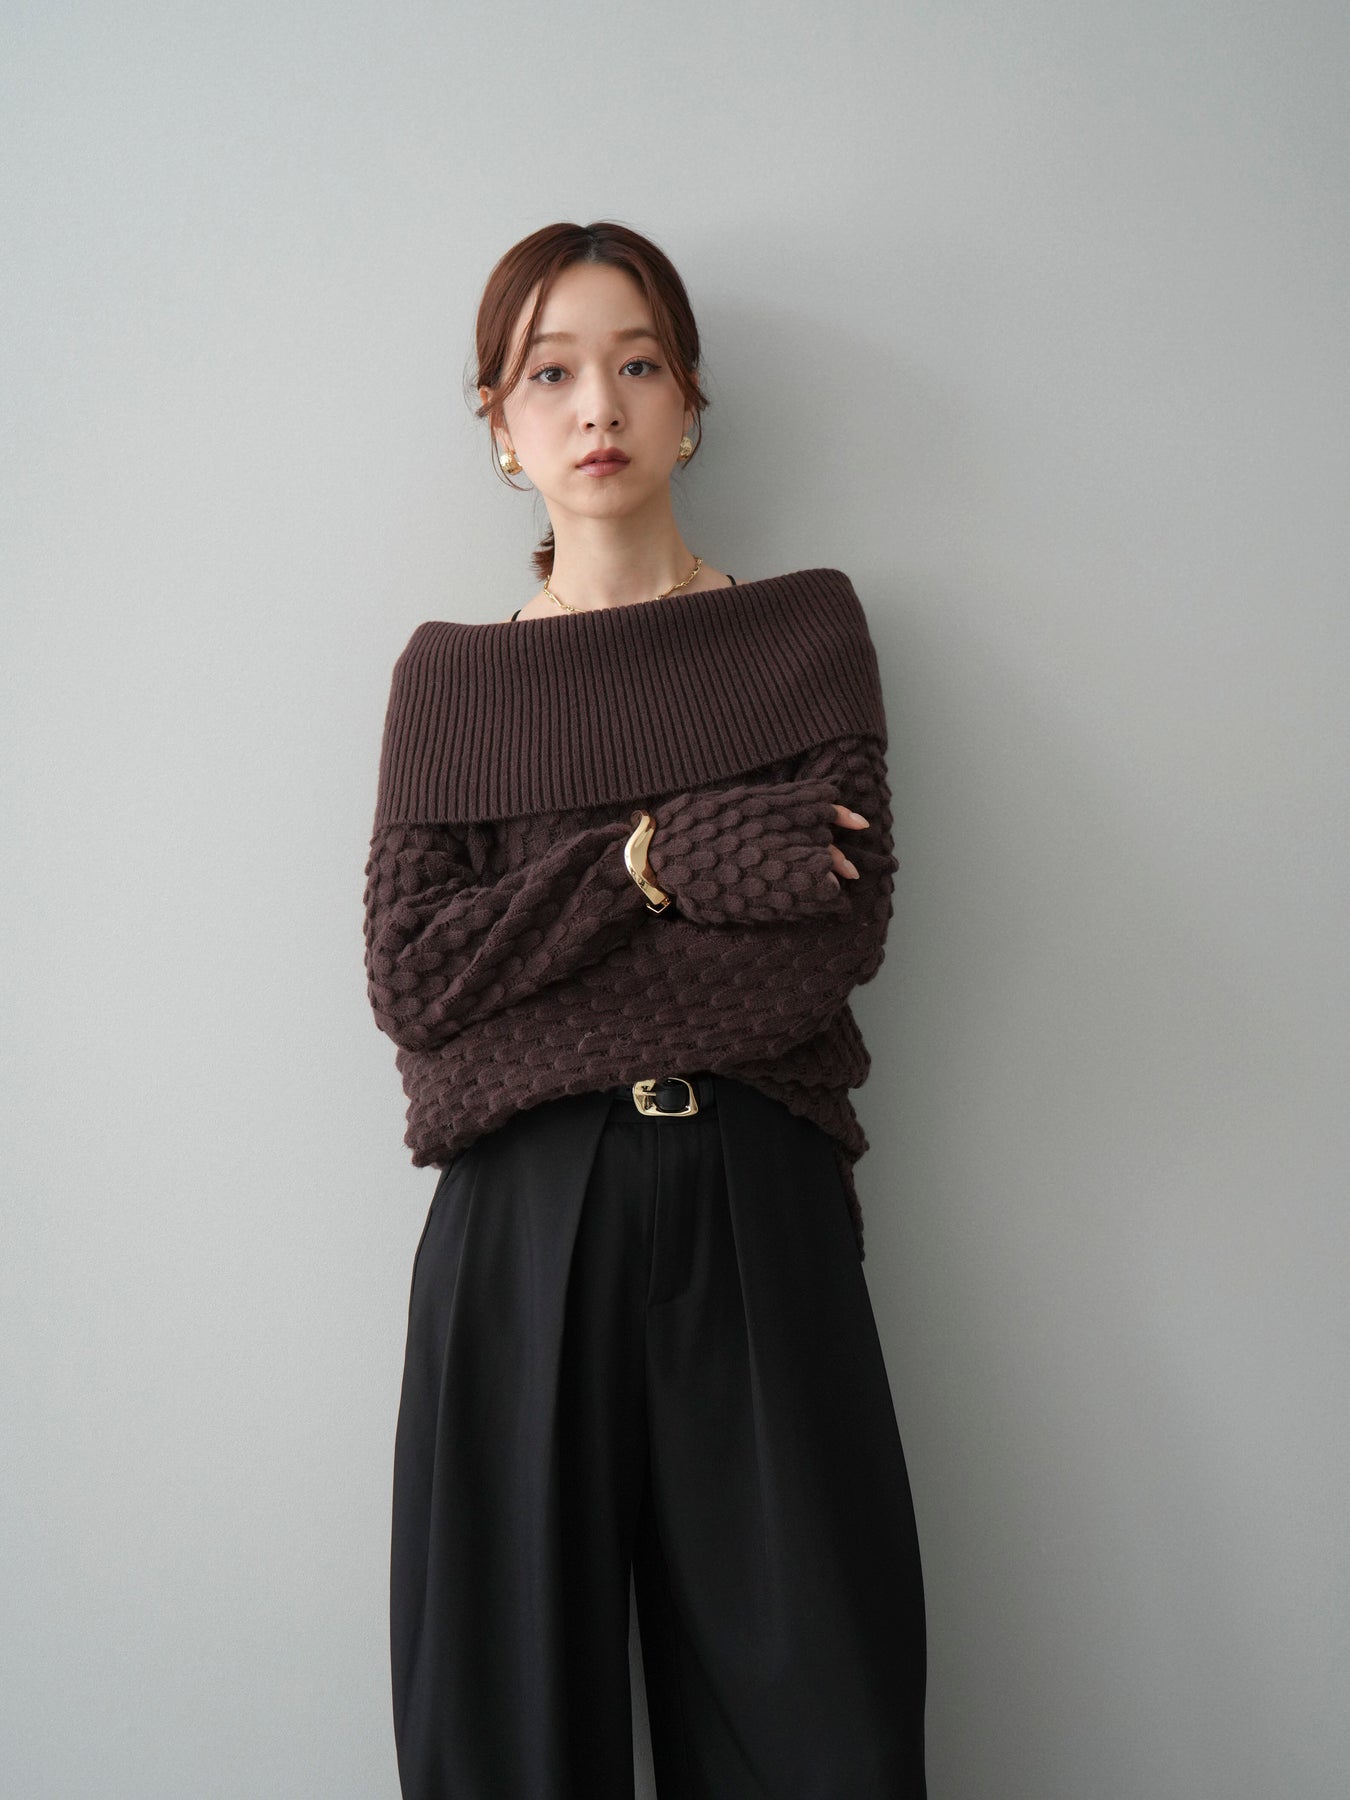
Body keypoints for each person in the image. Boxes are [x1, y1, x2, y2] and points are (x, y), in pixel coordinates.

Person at [362, 220, 927, 1799]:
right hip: (516, 1231)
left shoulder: (801, 637)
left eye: (635, 363)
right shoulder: (448, 685)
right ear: (499, 424)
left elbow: (827, 944)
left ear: (688, 403)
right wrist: (657, 860)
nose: (595, 405)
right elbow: (416, 984)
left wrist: (535, 978)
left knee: (819, 1731)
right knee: (505, 1737)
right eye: (548, 373)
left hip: (760, 1204)